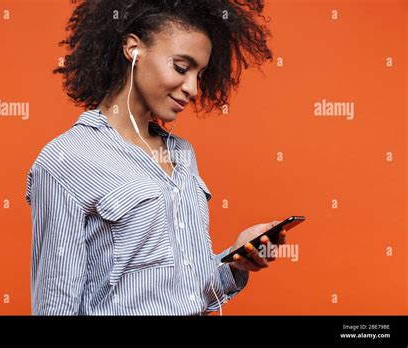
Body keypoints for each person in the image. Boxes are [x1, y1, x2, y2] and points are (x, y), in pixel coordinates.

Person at [25, 0, 286, 315]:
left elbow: (186, 292)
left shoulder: (181, 153)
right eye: (181, 67)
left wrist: (235, 258)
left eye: (200, 75)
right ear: (133, 49)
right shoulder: (65, 160)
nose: (192, 88)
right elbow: (55, 305)